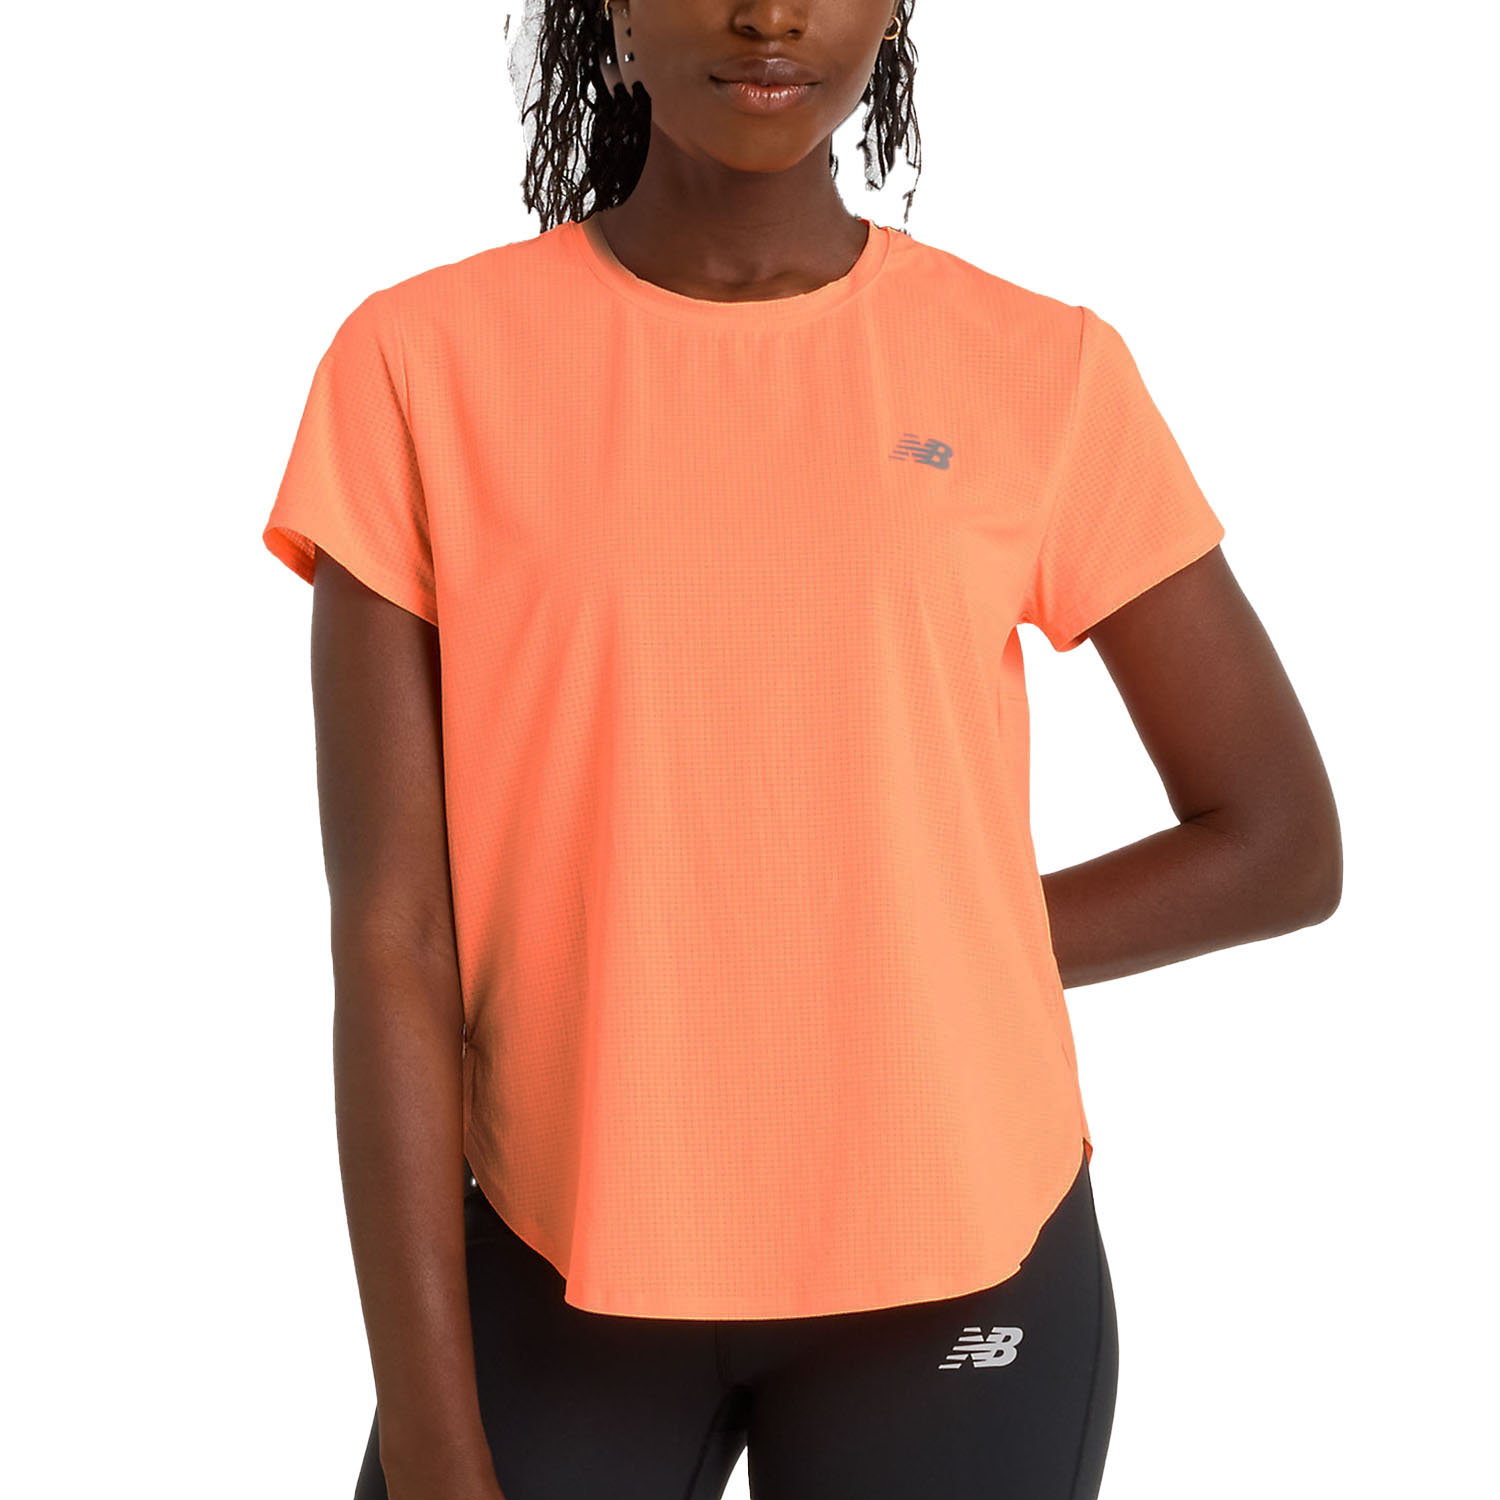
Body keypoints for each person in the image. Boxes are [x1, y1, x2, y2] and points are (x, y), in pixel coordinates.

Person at [261, 4, 1342, 1497]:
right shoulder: (418, 364)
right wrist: (438, 1450)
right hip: (554, 1238)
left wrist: (911, 950)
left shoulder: (1042, 367)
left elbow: (1276, 842)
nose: (768, 12)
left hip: (965, 1250)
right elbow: (394, 936)